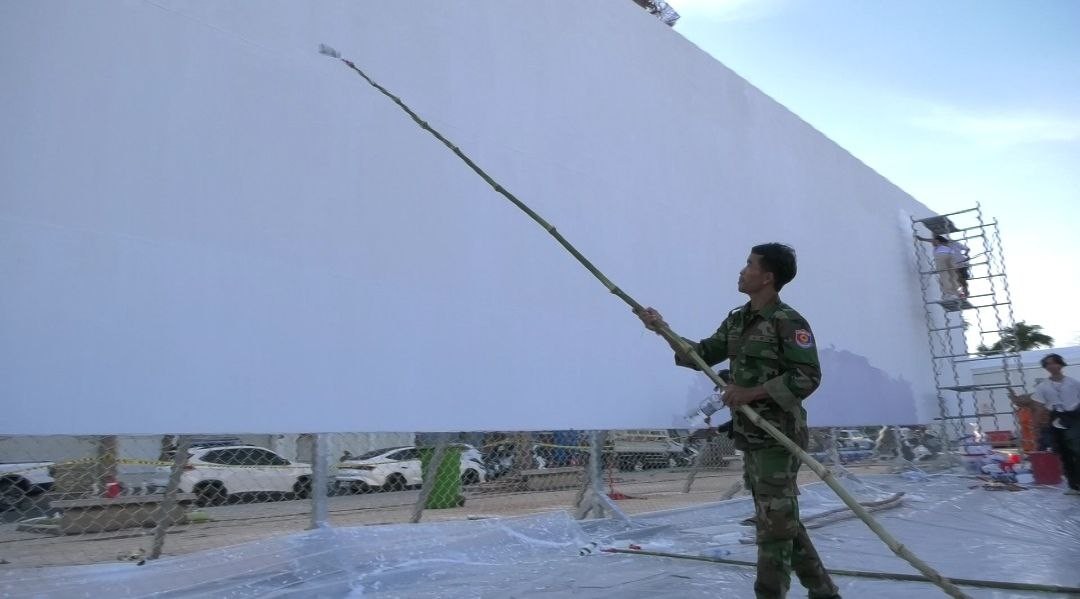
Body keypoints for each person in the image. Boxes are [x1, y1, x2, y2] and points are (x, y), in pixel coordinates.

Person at [635, 243, 839, 599]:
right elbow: (700, 355)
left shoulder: (788, 321)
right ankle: (823, 591)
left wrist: (751, 393)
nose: (742, 271)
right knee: (779, 520)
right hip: (751, 436)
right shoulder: (737, 320)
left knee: (773, 526)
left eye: (749, 265)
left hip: (778, 437)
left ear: (768, 277)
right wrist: (662, 329)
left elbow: (807, 377)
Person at [1009, 353, 1080, 495]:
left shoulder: (1073, 383)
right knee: (1063, 452)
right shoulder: (1043, 387)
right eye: (1048, 364)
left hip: (1075, 416)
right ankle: (1074, 486)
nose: (1051, 366)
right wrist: (1035, 426)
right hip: (1055, 418)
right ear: (1045, 367)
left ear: (1060, 364)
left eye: (1054, 362)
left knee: (1077, 450)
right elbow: (1039, 407)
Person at [915, 234, 964, 298]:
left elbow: (932, 240)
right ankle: (958, 293)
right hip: (951, 256)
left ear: (937, 241)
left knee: (944, 276)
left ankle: (951, 293)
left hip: (941, 256)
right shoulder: (947, 244)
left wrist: (922, 239)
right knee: (953, 276)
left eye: (934, 241)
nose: (932, 244)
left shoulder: (940, 245)